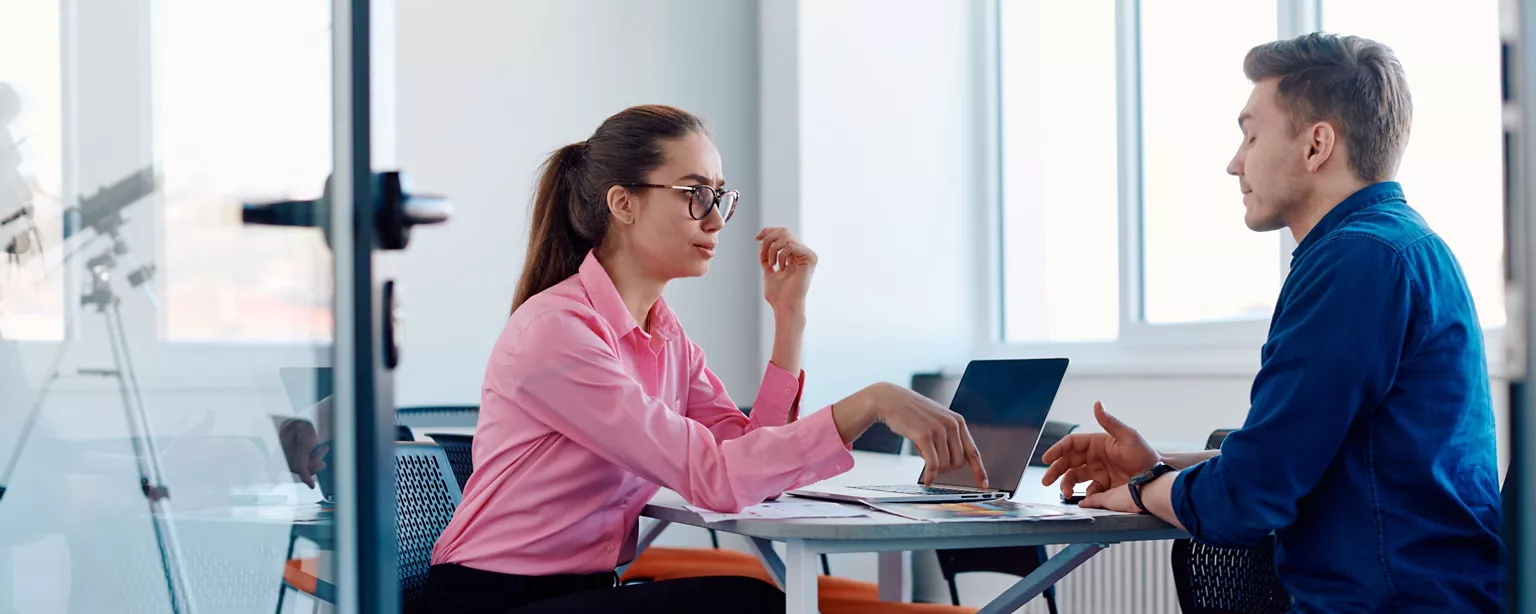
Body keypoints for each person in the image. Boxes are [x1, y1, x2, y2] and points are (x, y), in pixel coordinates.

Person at [424, 105, 988, 614]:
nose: (715, 219)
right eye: (695, 194)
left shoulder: (666, 337)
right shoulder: (559, 333)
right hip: (489, 598)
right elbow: (716, 477)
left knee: (750, 601)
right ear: (623, 203)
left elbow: (751, 468)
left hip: (582, 591)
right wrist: (869, 404)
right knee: (744, 604)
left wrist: (789, 319)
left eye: (720, 196)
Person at [1042, 33, 1501, 612]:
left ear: (1316, 145)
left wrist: (1141, 491)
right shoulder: (1398, 247)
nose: (1235, 163)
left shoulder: (1357, 261)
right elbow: (1316, 458)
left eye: (1251, 134)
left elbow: (1250, 497)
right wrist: (1159, 468)